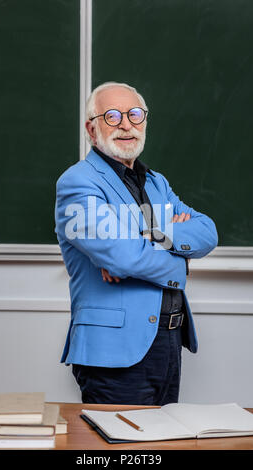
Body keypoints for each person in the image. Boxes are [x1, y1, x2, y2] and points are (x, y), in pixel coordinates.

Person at [54, 81, 218, 405]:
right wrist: (180, 260)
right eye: (112, 116)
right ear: (92, 127)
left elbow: (207, 232)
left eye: (135, 114)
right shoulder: (78, 183)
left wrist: (149, 235)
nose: (126, 125)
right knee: (120, 453)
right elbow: (123, 257)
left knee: (160, 450)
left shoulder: (157, 183)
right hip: (116, 352)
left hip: (169, 342)